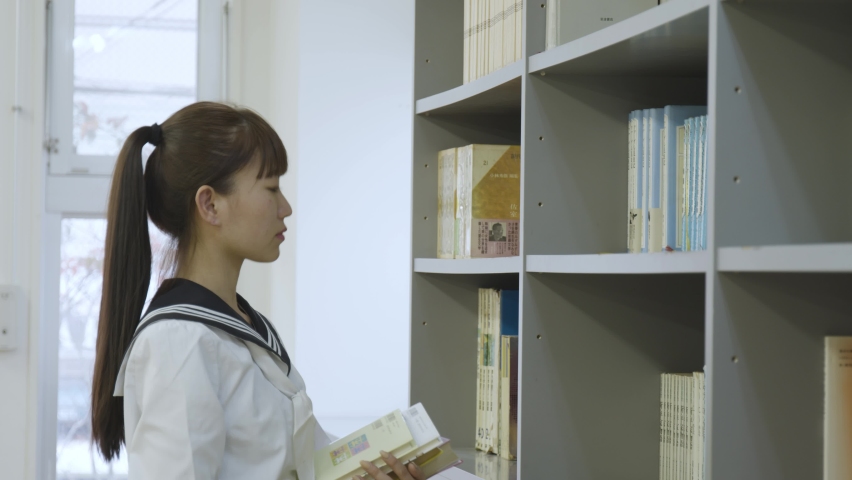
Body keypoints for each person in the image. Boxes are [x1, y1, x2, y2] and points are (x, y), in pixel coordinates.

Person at [90, 102, 425, 480]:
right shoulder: (178, 343)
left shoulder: (243, 326)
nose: (285, 208)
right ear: (210, 204)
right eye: (271, 188)